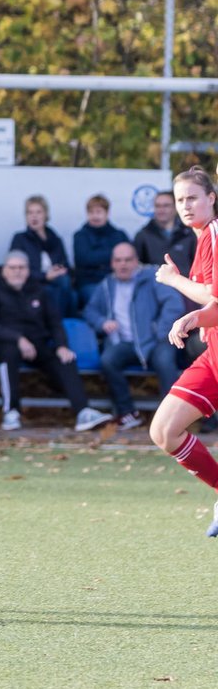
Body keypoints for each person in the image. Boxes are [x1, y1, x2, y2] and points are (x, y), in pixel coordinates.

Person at [149, 166, 218, 536]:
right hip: (214, 358)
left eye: (193, 197)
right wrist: (202, 320)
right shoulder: (203, 237)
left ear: (211, 198)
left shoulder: (216, 233)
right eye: (180, 200)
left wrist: (176, 284)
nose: (186, 205)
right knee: (164, 431)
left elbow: (213, 298)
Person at [0, 250, 114, 433]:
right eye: (12, 268)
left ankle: (83, 411)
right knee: (9, 353)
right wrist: (18, 339)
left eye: (21, 268)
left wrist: (61, 346)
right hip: (2, 343)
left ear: (28, 270)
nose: (17, 272)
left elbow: (54, 323)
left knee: (66, 358)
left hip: (36, 345)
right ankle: (11, 411)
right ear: (4, 270)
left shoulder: (38, 290)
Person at [81, 242, 182, 430]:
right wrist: (102, 322)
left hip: (155, 340)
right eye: (118, 260)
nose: (123, 264)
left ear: (136, 261)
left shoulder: (151, 278)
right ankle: (128, 412)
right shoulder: (106, 285)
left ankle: (172, 419)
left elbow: (174, 304)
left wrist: (159, 330)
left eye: (128, 260)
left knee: (165, 362)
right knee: (108, 360)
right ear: (112, 263)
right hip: (125, 343)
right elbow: (90, 311)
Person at [9, 195, 75, 316]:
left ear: (46, 215)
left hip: (56, 281)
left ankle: (63, 326)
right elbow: (16, 269)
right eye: (30, 213)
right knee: (51, 292)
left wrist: (59, 270)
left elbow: (65, 265)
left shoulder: (56, 239)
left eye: (38, 212)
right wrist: (45, 276)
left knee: (70, 290)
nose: (34, 216)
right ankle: (58, 326)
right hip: (32, 282)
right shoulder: (20, 239)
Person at [72, 194, 130, 308]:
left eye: (98, 212)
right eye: (91, 212)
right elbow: (83, 259)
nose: (95, 216)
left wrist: (96, 256)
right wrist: (114, 254)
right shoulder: (80, 236)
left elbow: (129, 257)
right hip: (91, 282)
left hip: (119, 281)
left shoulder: (119, 234)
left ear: (107, 213)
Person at [134, 189, 195, 274]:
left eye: (166, 206)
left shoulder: (190, 233)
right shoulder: (143, 235)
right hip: (155, 285)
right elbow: (138, 268)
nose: (161, 210)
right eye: (157, 206)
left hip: (185, 285)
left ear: (175, 207)